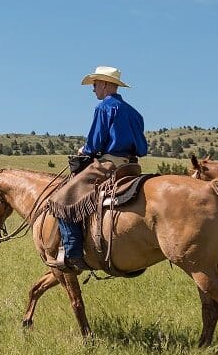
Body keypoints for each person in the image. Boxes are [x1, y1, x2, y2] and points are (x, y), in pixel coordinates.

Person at [46, 66, 147, 273]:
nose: (93, 89)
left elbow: (94, 144)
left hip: (109, 164)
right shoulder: (135, 113)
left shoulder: (104, 108)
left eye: (95, 84)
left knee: (61, 199)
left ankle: (72, 252)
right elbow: (143, 147)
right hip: (131, 165)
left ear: (105, 84)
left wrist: (85, 149)